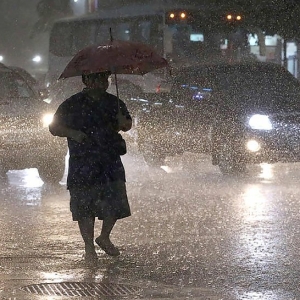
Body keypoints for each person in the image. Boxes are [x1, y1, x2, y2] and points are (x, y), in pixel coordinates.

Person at [49, 71, 132, 262]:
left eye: (104, 78)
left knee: (114, 201)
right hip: (83, 162)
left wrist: (123, 123)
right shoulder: (72, 103)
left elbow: (127, 124)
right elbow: (54, 127)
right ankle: (89, 248)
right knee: (84, 207)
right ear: (85, 80)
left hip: (109, 160)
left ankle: (104, 237)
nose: (101, 82)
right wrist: (74, 133)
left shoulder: (114, 102)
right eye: (95, 78)